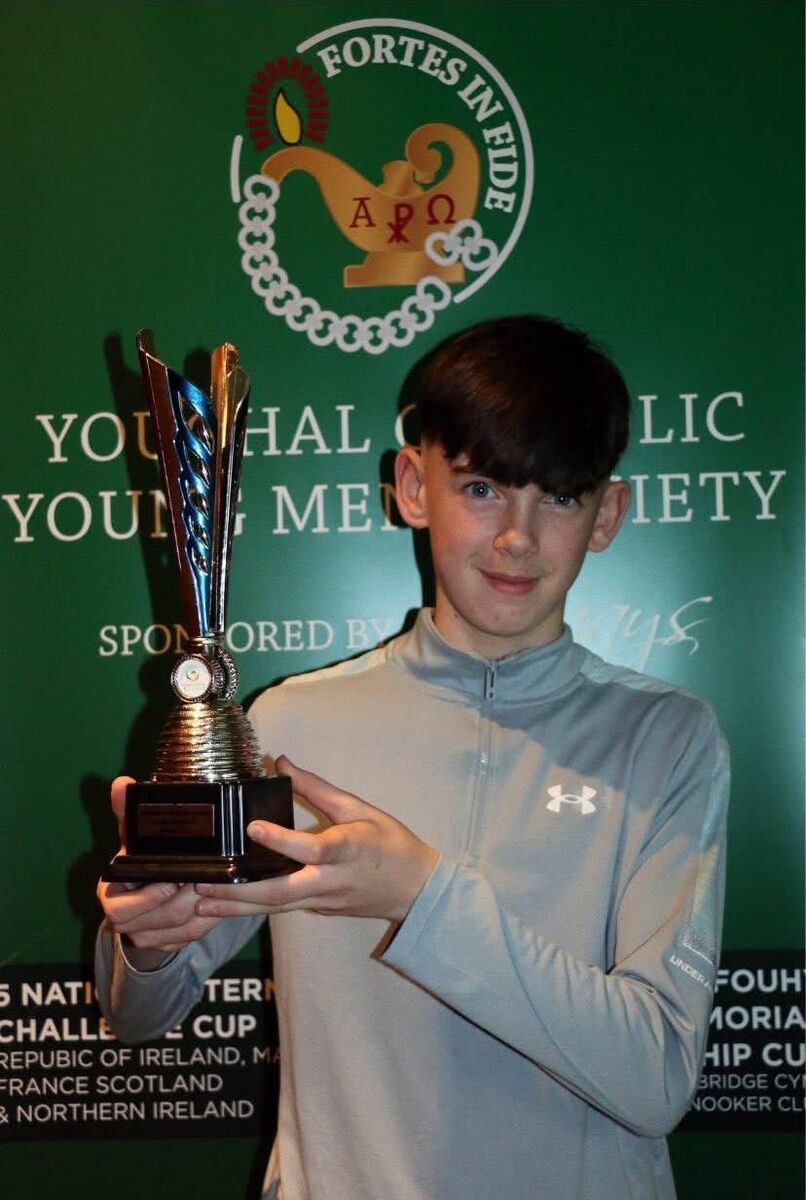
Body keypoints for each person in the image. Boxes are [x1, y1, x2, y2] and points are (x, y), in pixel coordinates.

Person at [96, 315, 729, 1200]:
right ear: (411, 486)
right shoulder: (291, 724)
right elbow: (137, 1017)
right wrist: (147, 939)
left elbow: (657, 1074)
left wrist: (425, 900)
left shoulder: (667, 739)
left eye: (558, 496)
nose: (516, 537)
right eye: (481, 488)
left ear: (607, 513)